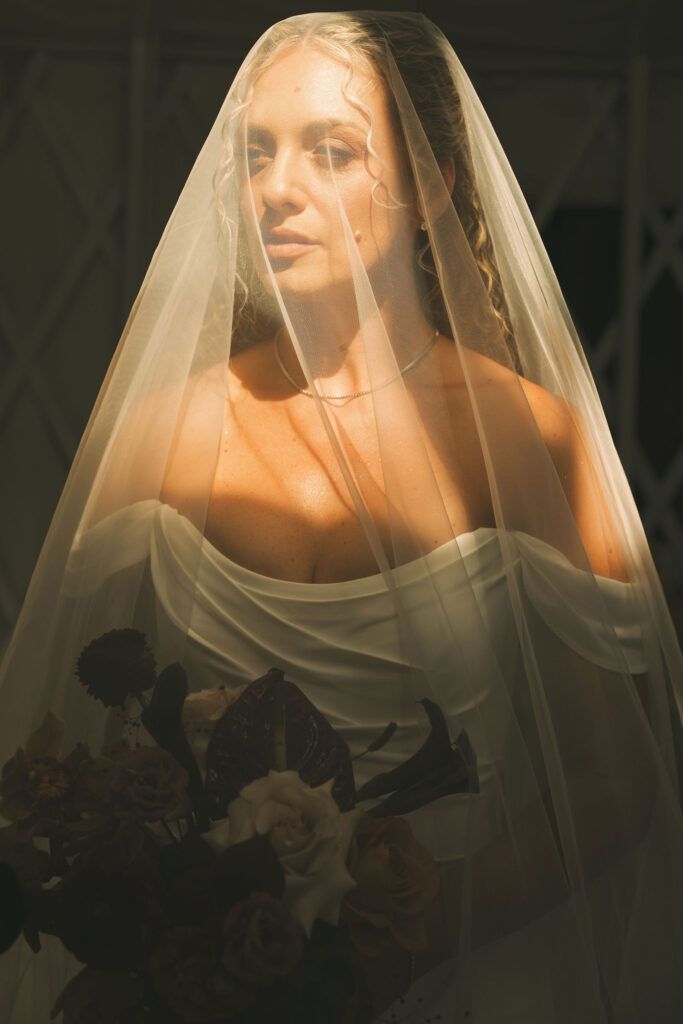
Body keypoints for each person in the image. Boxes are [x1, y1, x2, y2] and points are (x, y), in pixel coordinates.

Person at [0, 11, 681, 1022]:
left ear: (431, 187)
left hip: (454, 979)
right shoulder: (161, 434)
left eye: (330, 151)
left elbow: (616, 775)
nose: (277, 188)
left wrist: (417, 925)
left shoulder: (523, 438)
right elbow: (63, 752)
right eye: (256, 153)